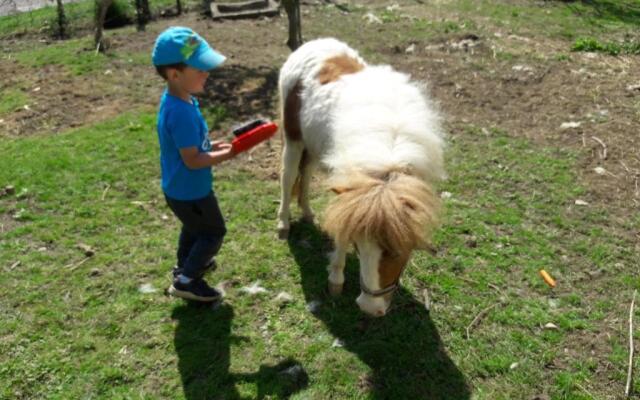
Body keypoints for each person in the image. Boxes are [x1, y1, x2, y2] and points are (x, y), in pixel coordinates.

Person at [152, 26, 235, 302]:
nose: (207, 73)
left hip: (180, 190)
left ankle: (185, 265)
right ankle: (187, 281)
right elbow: (193, 159)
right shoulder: (181, 113)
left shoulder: (181, 100)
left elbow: (193, 147)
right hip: (192, 191)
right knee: (213, 232)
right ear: (175, 74)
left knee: (194, 228)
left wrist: (214, 147)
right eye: (199, 69)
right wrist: (227, 155)